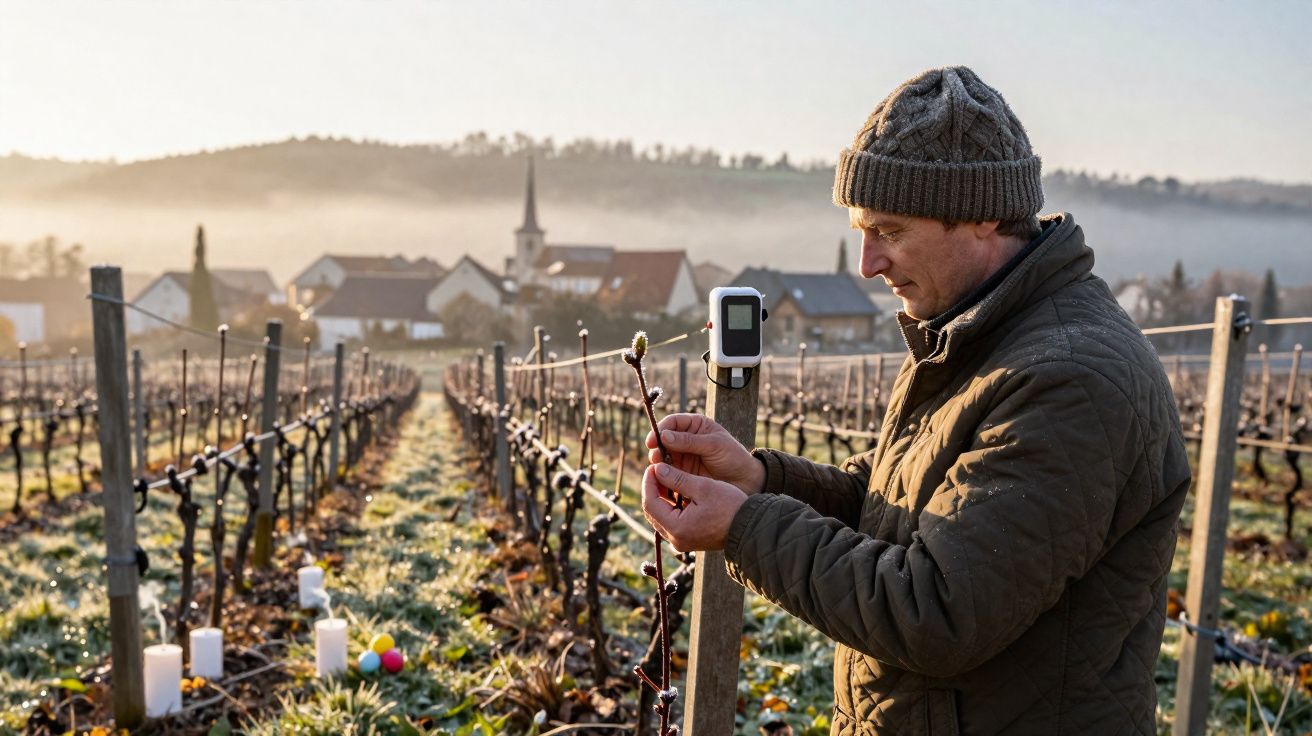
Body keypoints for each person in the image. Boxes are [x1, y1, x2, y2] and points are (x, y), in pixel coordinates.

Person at [641, 66, 1191, 735]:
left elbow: (938, 610)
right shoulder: (970, 335)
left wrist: (746, 526)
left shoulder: (1070, 380)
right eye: (860, 231)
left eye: (890, 230)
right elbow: (891, 509)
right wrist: (759, 479)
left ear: (983, 214)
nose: (868, 263)